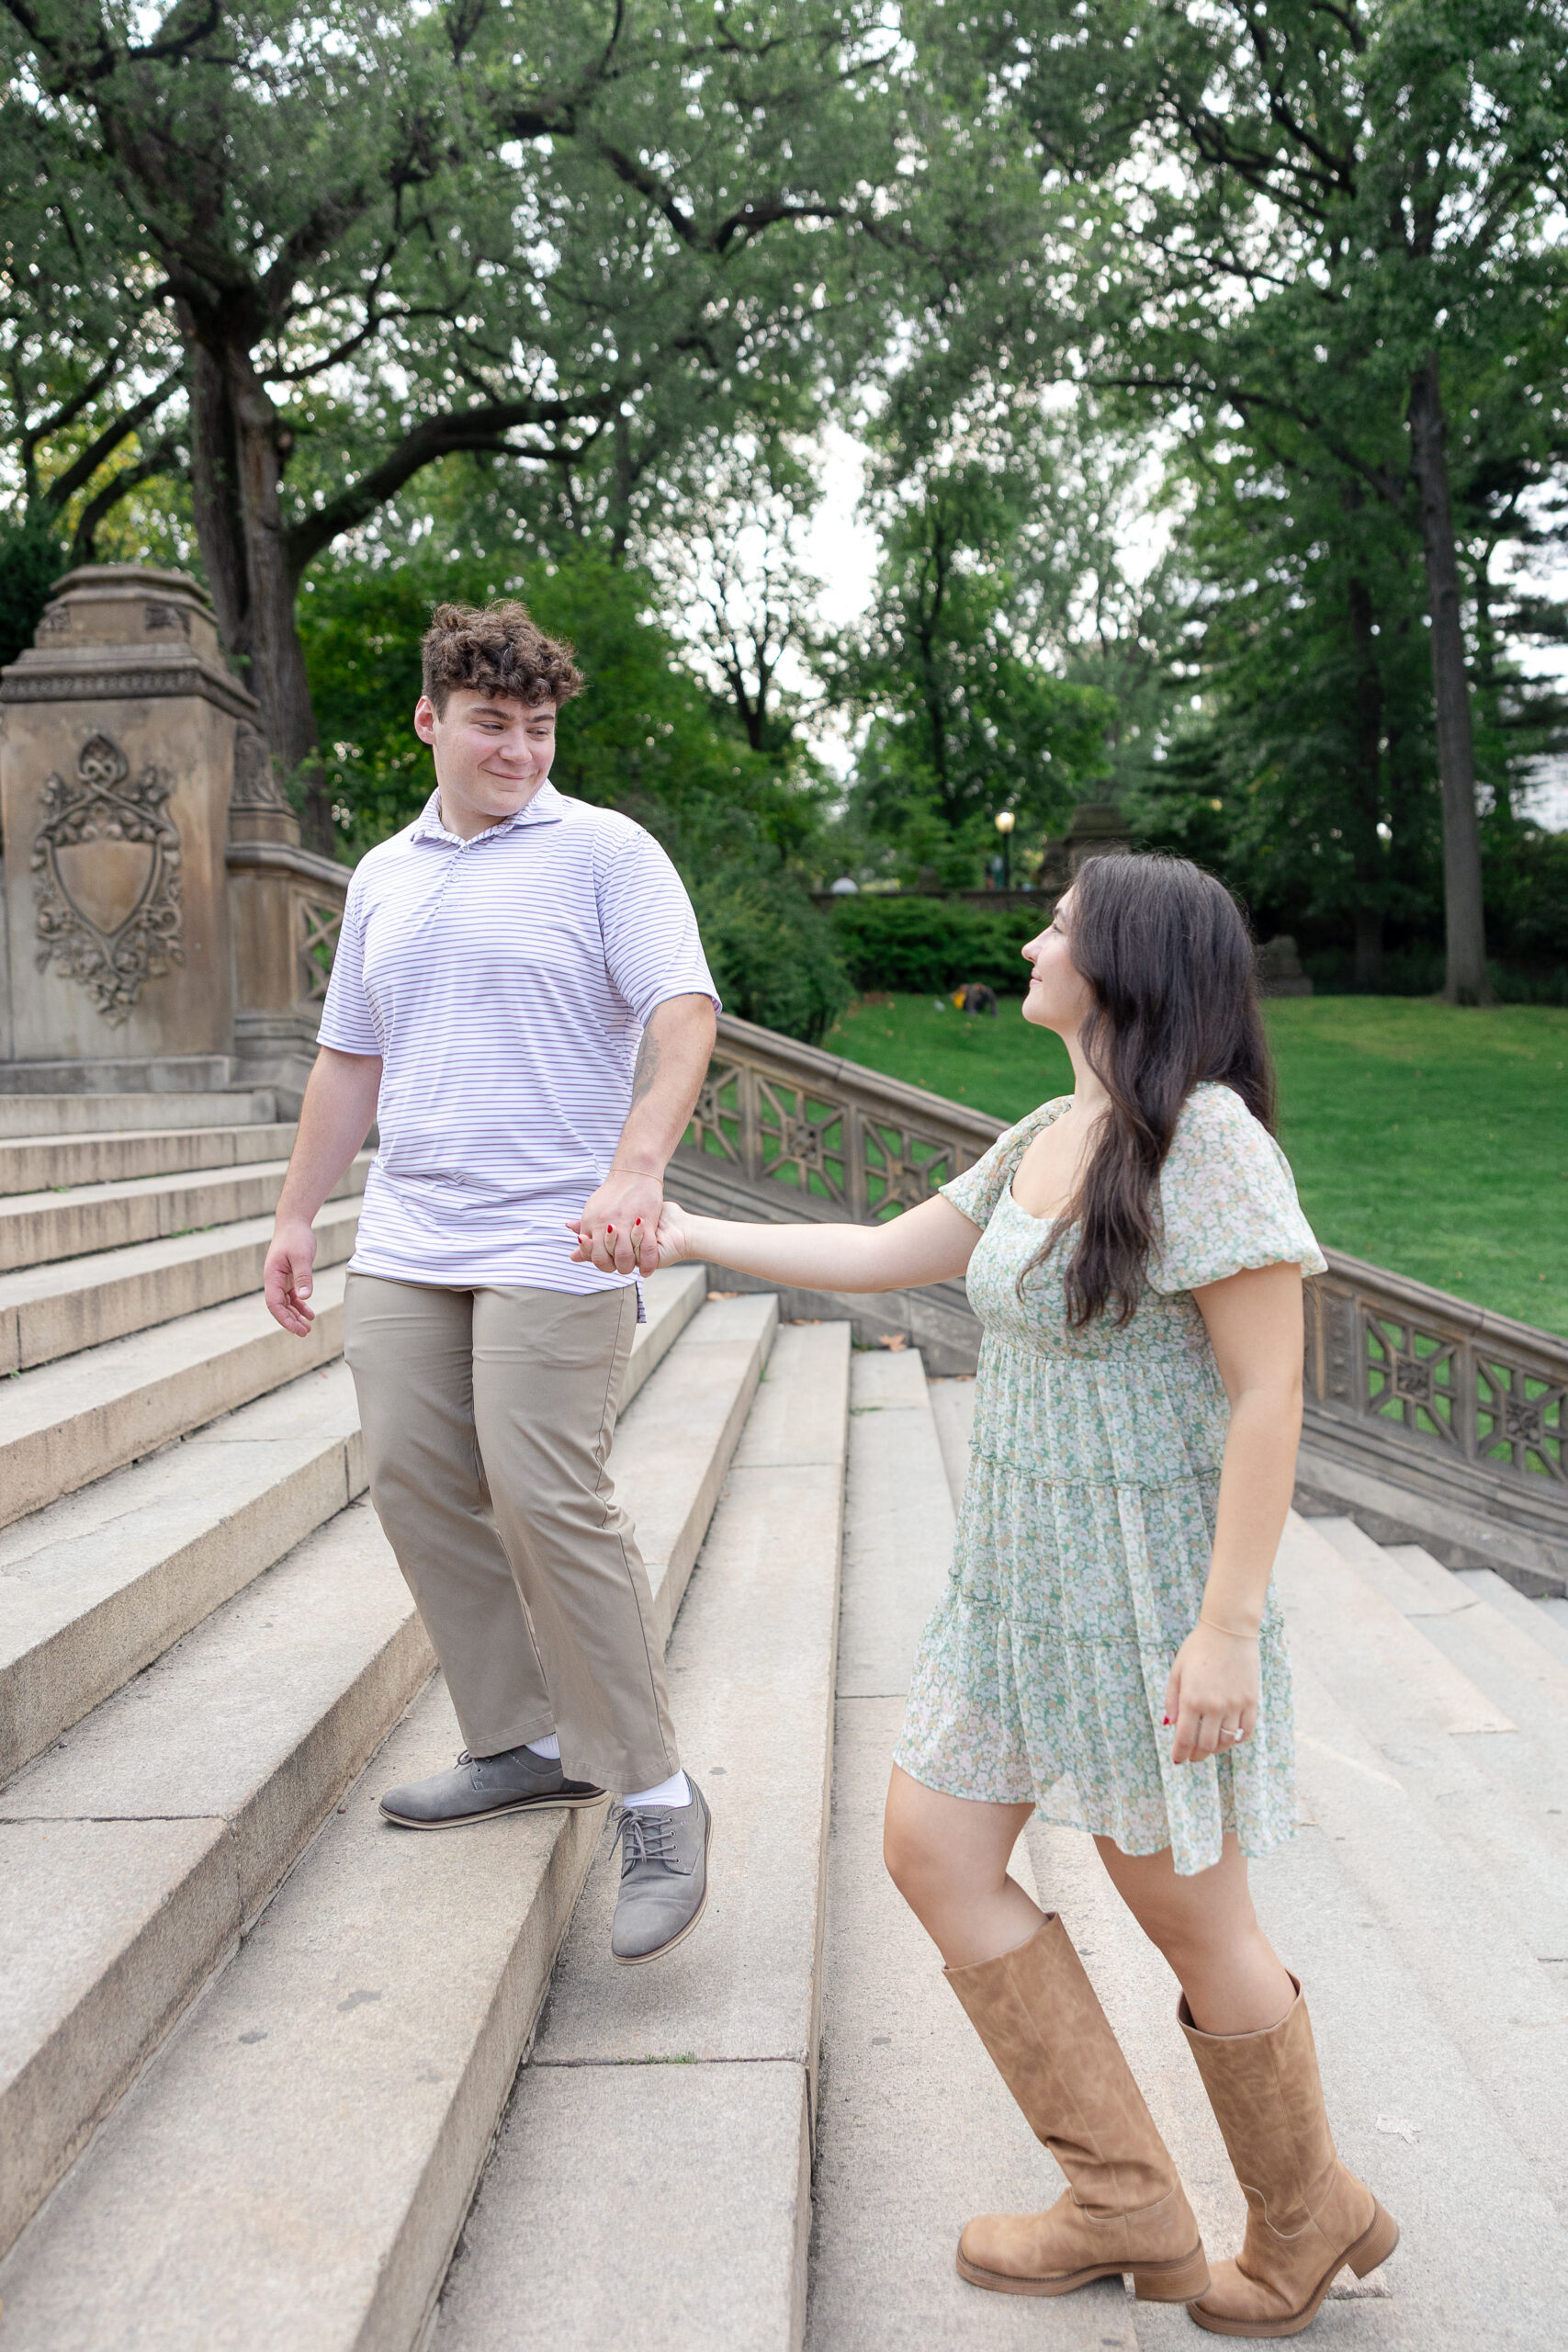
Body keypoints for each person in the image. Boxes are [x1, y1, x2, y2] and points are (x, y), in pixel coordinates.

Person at [584, 853, 1398, 2334]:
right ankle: (1123, 2199)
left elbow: (1271, 1394)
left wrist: (1224, 1630)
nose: (1032, 945)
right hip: (1015, 1584)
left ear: (1126, 964)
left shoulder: (1208, 1142)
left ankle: (1304, 2214)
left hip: (1150, 1602)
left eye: (1060, 927)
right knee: (933, 1846)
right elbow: (880, 1253)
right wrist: (688, 1232)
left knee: (1188, 1917)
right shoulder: (1048, 1128)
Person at [263, 599, 720, 1968]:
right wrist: (296, 1214)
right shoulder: (383, 877)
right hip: (411, 1236)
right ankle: (519, 1742)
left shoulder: (607, 854)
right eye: (490, 724)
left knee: (544, 1492)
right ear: (430, 721)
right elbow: (352, 1057)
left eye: (538, 726)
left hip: (559, 1238)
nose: (518, 749)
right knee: (413, 1478)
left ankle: (654, 1791)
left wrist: (637, 1168)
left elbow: (684, 1013)